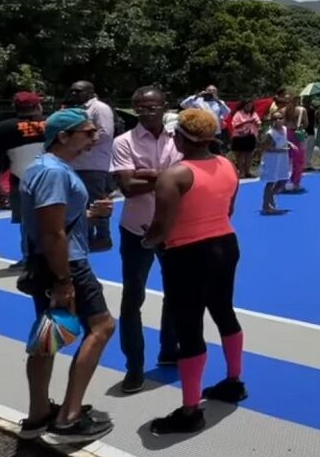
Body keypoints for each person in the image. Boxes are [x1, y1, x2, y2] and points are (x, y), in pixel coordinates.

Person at [143, 109, 245, 435]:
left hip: (187, 254)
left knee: (188, 327)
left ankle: (189, 411)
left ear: (181, 137)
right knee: (224, 311)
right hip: (225, 245)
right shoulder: (227, 165)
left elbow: (160, 227)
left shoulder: (174, 176)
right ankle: (233, 381)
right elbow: (228, 209)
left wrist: (147, 241)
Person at [19, 108, 116, 443]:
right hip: (66, 265)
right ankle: (69, 417)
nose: (95, 137)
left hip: (54, 263)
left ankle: (38, 415)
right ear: (63, 136)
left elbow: (57, 223)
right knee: (101, 327)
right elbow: (52, 233)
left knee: (49, 337)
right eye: (88, 132)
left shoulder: (50, 168)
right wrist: (64, 280)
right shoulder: (52, 172)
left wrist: (88, 214)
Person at [111, 87, 183, 394]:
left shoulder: (178, 138)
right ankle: (134, 367)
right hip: (136, 229)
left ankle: (169, 350)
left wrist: (148, 174)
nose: (147, 110)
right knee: (132, 299)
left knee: (176, 294)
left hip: (174, 228)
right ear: (134, 108)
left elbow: (189, 176)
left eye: (153, 105)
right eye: (140, 106)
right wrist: (167, 176)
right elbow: (128, 186)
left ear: (164, 106)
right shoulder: (122, 142)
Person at [0, 91, 47, 269]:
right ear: (37, 106)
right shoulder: (50, 123)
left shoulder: (4, 127)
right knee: (54, 216)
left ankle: (28, 257)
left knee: (27, 221)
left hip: (21, 178)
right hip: (51, 177)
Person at [66, 81, 116, 252]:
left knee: (96, 202)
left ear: (90, 91)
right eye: (71, 91)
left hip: (93, 164)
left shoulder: (99, 108)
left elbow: (105, 133)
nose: (73, 94)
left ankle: (103, 237)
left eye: (77, 91)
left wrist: (80, 144)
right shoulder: (78, 109)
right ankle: (86, 237)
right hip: (78, 163)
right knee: (81, 202)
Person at [259, 111, 293, 215]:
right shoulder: (270, 133)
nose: (278, 120)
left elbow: (284, 140)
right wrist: (280, 150)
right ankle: (266, 205)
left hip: (282, 159)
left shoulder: (284, 129)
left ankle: (271, 197)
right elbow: (264, 147)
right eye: (275, 119)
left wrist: (289, 144)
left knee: (283, 179)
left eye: (280, 118)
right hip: (272, 160)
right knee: (271, 182)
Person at [229, 100, 261, 178]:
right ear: (243, 105)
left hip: (250, 136)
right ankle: (241, 172)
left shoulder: (253, 113)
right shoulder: (238, 114)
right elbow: (235, 125)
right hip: (240, 136)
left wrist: (257, 123)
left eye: (250, 106)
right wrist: (246, 122)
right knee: (240, 155)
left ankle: (248, 171)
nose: (249, 107)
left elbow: (258, 121)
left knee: (249, 154)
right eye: (247, 105)